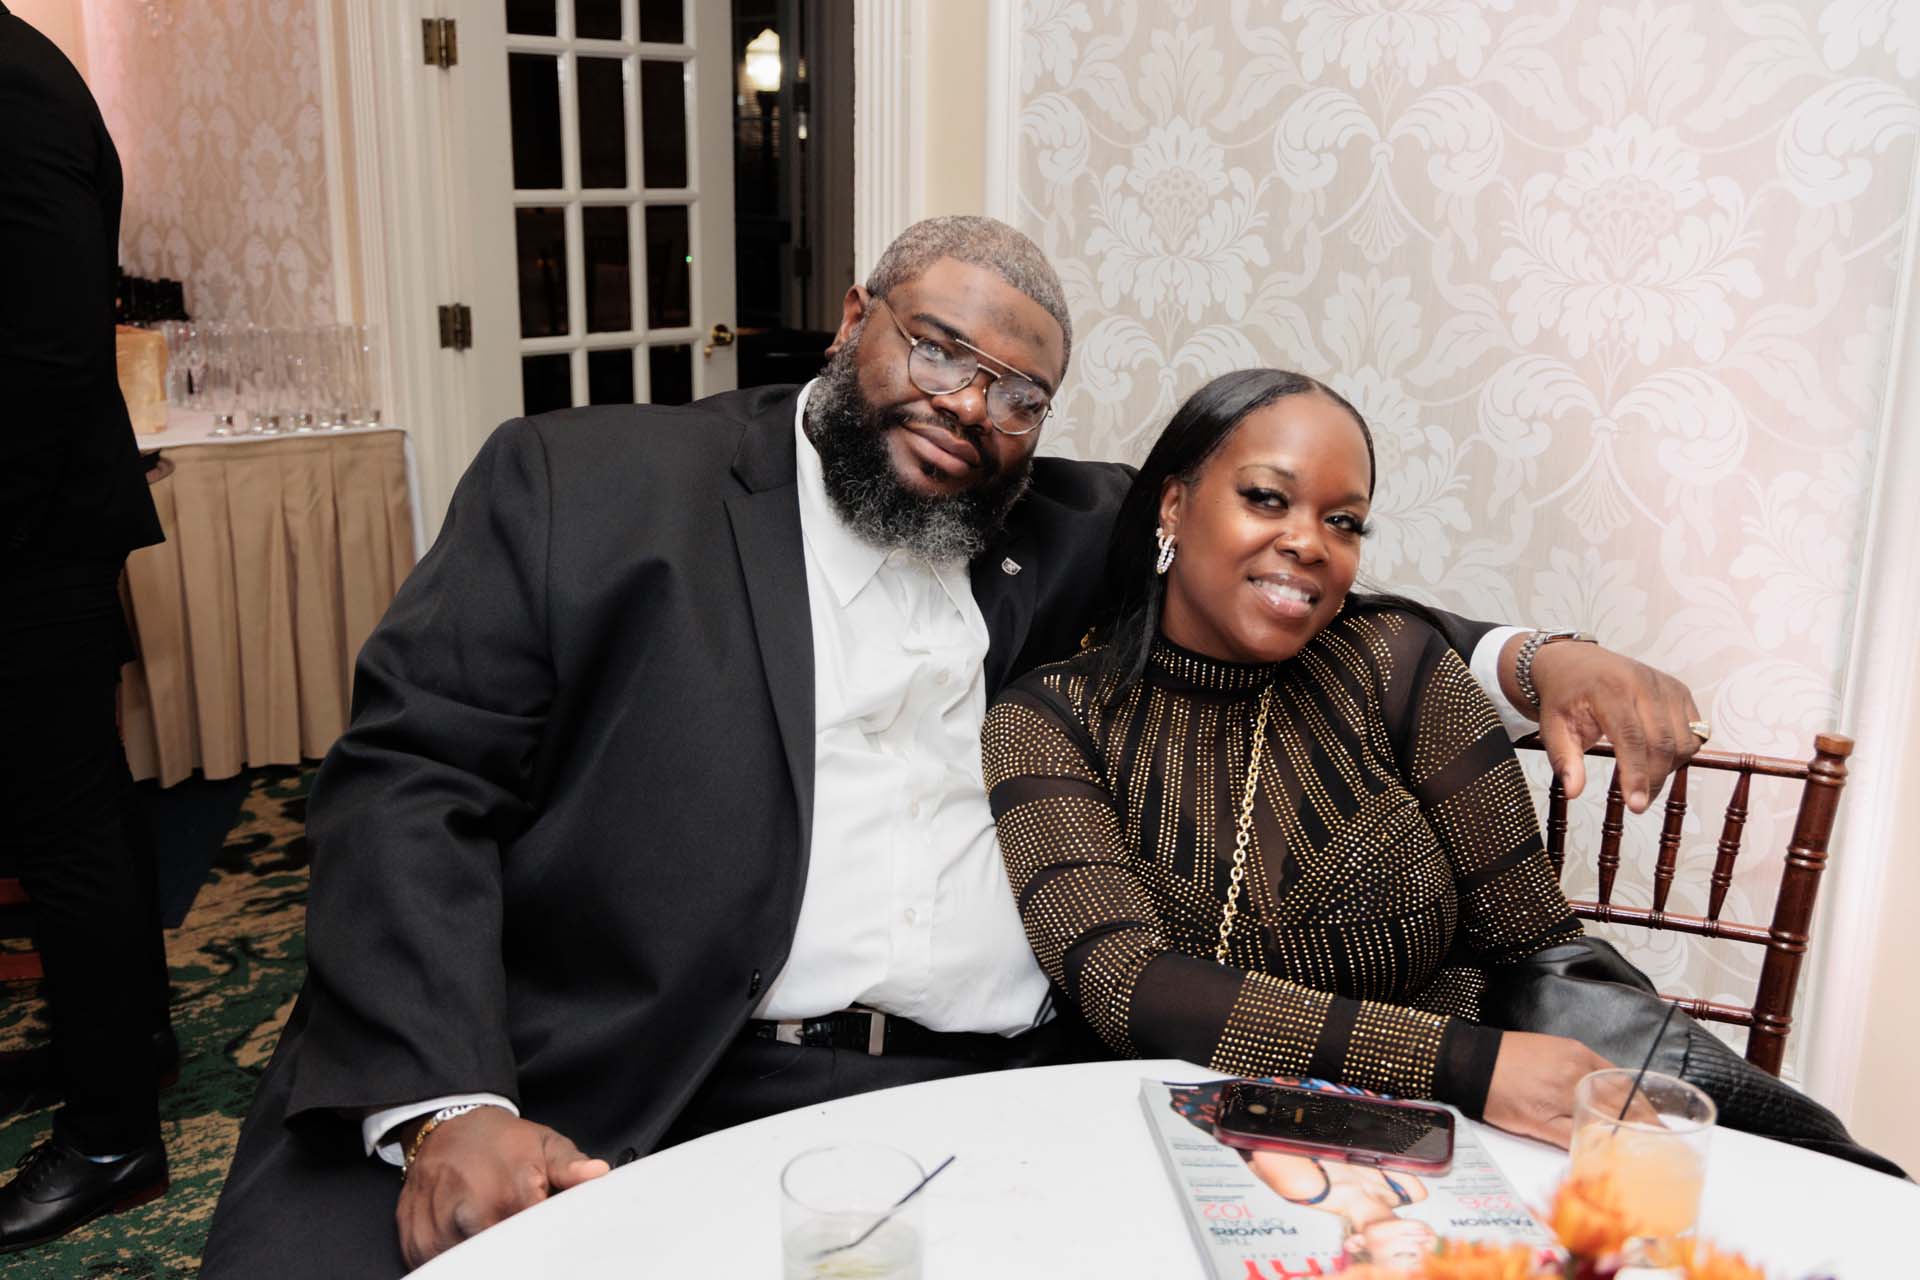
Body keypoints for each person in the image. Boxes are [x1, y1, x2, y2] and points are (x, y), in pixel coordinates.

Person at [202, 218, 1704, 1275]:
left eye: (1018, 393)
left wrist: (1535, 658)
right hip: (640, 1066)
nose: (968, 406)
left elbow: (1283, 566)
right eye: (936, 349)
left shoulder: (1062, 520)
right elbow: (410, 784)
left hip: (989, 1085)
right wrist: (454, 1100)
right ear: (855, 319)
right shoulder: (588, 487)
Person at [982, 368, 1898, 1172]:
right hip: (1174, 1147)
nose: (1309, 542)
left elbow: (1535, 946)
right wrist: (1466, 1062)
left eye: (1343, 521)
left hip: (1464, 1151)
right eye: (1267, 498)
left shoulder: (1393, 662)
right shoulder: (1047, 720)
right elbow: (1127, 984)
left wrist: (1593, 1085)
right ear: (1175, 507)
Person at [0, 1, 174, 1252]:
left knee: (64, 832)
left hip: (28, 533)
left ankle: (112, 1132)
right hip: (40, 525)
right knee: (85, 811)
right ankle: (128, 1043)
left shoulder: (14, 88)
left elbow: (47, 358)